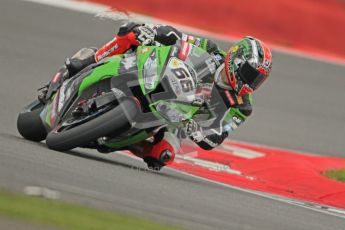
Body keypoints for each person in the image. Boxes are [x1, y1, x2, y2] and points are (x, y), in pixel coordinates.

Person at [44, 22, 272, 169]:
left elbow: (217, 137)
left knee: (164, 154)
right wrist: (158, 33)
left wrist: (199, 131)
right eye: (250, 74)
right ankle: (85, 63)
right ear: (236, 59)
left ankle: (120, 140)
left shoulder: (241, 107)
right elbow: (179, 38)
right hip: (160, 77)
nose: (250, 83)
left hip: (180, 118)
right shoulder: (211, 50)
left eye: (257, 80)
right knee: (131, 32)